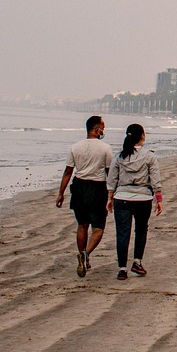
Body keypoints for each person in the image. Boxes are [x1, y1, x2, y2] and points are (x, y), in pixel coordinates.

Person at [55, 115, 113, 278]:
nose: (103, 131)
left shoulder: (75, 147)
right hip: (97, 188)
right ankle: (86, 254)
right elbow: (110, 173)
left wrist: (61, 193)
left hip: (79, 187)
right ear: (96, 129)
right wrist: (111, 194)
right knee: (98, 228)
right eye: (102, 128)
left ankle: (82, 254)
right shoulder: (105, 148)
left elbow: (68, 171)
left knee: (82, 225)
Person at [106, 123, 162, 281]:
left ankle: (122, 269)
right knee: (141, 230)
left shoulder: (119, 156)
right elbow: (155, 180)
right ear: (143, 136)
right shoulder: (149, 156)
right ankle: (137, 261)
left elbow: (112, 180)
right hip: (143, 198)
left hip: (122, 198)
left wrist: (110, 198)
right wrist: (159, 200)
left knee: (123, 234)